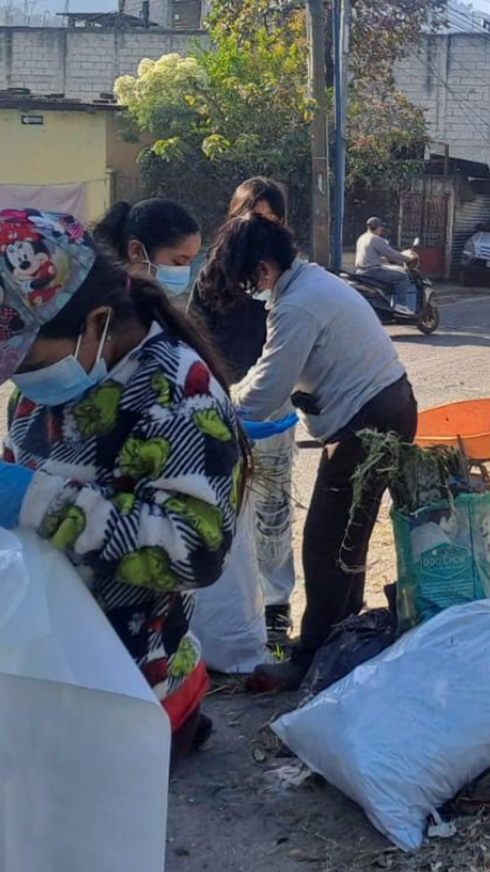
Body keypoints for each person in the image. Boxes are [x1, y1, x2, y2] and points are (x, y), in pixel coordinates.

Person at [0, 208, 246, 769]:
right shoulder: (45, 387)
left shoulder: (180, 394)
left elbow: (195, 552)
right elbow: (24, 482)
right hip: (50, 667)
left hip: (130, 691)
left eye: (23, 360)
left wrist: (30, 500)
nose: (16, 380)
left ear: (95, 320)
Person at [199, 213, 416, 691]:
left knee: (324, 541)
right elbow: (273, 372)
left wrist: (216, 404)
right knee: (347, 539)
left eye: (245, 281)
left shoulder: (298, 304)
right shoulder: (312, 281)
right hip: (385, 410)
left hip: (370, 422)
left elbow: (266, 389)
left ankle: (311, 656)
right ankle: (342, 641)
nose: (249, 292)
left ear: (262, 268)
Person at [190, 177, 297, 646]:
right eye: (249, 216)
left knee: (272, 515)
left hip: (271, 413)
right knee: (221, 511)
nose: (257, 228)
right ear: (232, 219)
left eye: (268, 220)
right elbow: (192, 342)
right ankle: (230, 611)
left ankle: (276, 606)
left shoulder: (285, 279)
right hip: (220, 411)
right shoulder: (210, 277)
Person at [94, 197, 201, 300]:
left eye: (190, 262)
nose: (185, 272)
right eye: (179, 262)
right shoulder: (107, 309)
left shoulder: (157, 307)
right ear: (136, 251)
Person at [354, 215, 417, 315]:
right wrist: (408, 258)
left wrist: (386, 260)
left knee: (393, 270)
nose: (382, 230)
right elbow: (390, 253)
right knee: (402, 276)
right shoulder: (375, 239)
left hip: (361, 271)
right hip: (372, 272)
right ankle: (401, 305)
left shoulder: (362, 238)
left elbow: (371, 255)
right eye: (381, 227)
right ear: (378, 227)